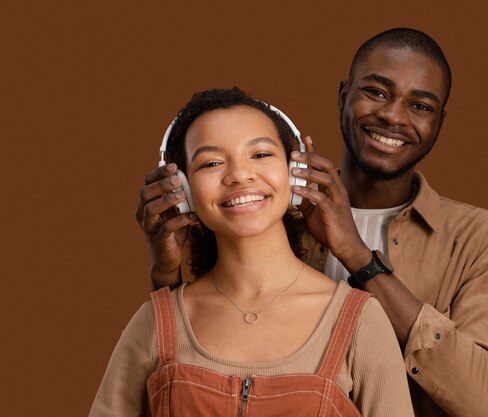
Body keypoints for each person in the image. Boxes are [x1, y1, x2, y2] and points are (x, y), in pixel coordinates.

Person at [137, 28, 488, 417]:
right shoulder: (269, 206)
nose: (393, 116)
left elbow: (479, 400)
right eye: (377, 92)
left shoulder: (474, 236)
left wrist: (356, 254)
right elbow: (194, 356)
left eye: (420, 106)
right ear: (343, 96)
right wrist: (165, 271)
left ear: (439, 121)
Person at [90, 88, 414, 417]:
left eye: (260, 154)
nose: (239, 175)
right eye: (211, 162)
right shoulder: (155, 322)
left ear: (295, 170)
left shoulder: (361, 321)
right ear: (182, 191)